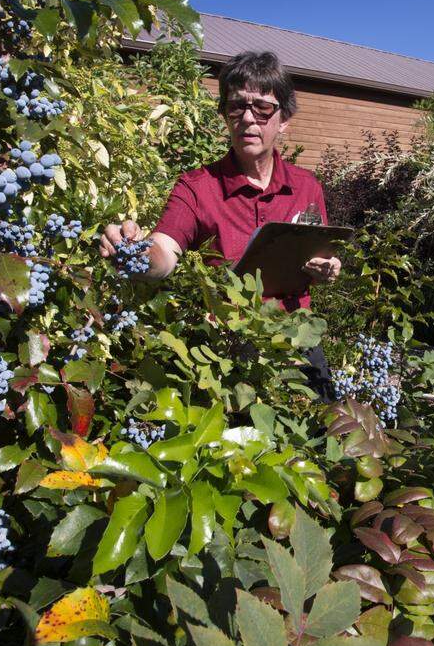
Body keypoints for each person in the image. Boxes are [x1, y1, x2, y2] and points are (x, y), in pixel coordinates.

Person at [98, 50, 342, 401]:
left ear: (283, 119)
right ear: (225, 116)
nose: (247, 118)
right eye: (236, 106)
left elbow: (321, 253)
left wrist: (328, 268)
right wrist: (132, 250)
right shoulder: (197, 187)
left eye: (262, 108)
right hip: (228, 350)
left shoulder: (307, 186)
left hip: (297, 344)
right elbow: (164, 250)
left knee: (324, 441)